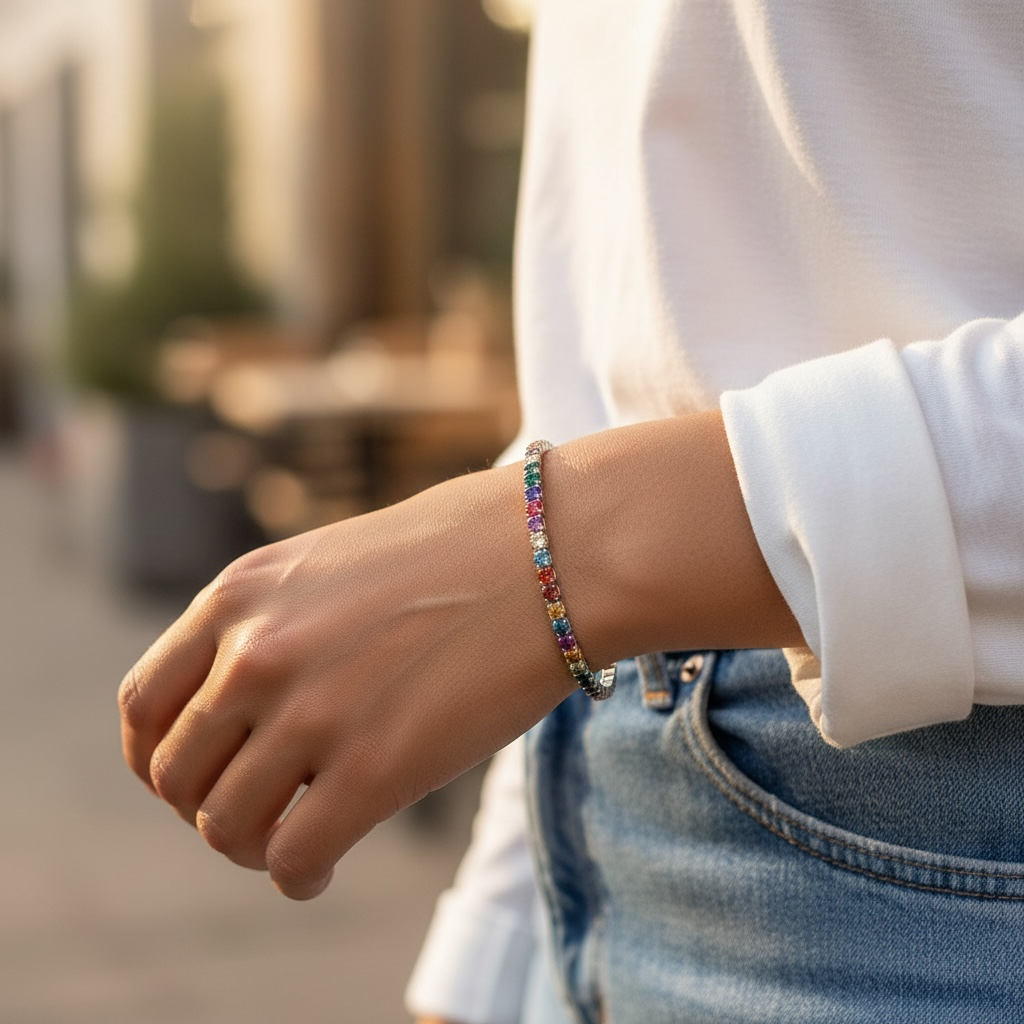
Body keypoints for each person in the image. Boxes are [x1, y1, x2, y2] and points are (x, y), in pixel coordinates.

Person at [120, 1, 1024, 1021]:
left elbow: (561, 554)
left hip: (952, 880)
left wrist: (568, 546)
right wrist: (496, 941)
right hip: (596, 821)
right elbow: (597, 358)